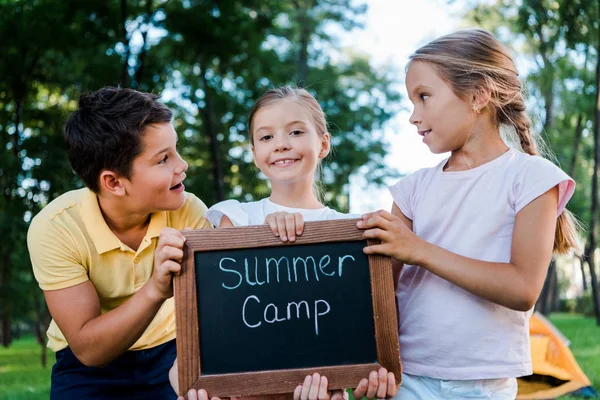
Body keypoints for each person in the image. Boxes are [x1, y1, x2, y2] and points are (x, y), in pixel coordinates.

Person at [357, 28, 579, 399]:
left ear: (478, 95)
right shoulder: (412, 189)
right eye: (412, 101)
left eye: (424, 97)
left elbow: (522, 289)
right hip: (408, 377)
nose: (414, 116)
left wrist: (418, 250)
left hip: (483, 385)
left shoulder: (532, 178)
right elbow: (379, 292)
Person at [171, 86, 398, 400]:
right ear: (254, 153)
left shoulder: (352, 231)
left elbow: (365, 332)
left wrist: (369, 379)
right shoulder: (236, 218)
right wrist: (263, 239)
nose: (280, 145)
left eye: (295, 131)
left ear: (323, 143)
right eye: (266, 137)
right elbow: (215, 329)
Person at [27, 87, 211, 399]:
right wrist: (155, 289)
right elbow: (88, 349)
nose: (182, 165)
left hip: (171, 355)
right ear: (113, 182)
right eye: (163, 159)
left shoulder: (189, 212)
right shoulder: (56, 227)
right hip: (88, 369)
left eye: (175, 150)